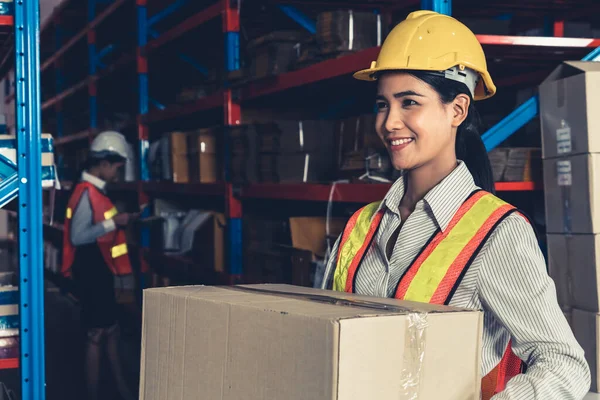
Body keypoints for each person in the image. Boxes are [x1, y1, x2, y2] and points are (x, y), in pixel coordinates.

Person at [320, 11, 590, 400]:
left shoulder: (496, 232)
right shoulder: (361, 225)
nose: (390, 122)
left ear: (457, 110)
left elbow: (563, 362)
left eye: (409, 102)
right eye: (382, 105)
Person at [61, 130, 136, 400]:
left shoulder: (95, 192)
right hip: (92, 273)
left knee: (110, 331)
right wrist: (115, 222)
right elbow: (78, 236)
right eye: (116, 166)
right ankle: (94, 394)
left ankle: (123, 390)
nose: (118, 172)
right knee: (97, 334)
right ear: (103, 163)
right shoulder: (86, 193)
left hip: (101, 272)